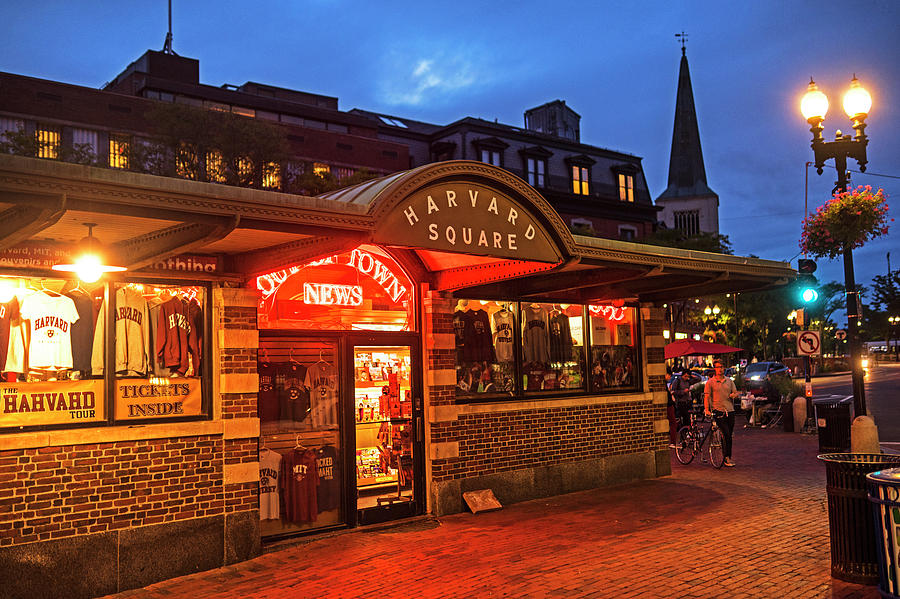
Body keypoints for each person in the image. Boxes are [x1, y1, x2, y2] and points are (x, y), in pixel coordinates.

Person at [704, 360, 740, 467]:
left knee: (729, 435)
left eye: (722, 367)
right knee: (726, 433)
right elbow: (707, 397)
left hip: (730, 410)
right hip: (718, 410)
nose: (720, 369)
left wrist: (734, 395)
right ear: (714, 369)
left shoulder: (729, 381)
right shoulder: (710, 382)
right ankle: (726, 458)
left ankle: (727, 456)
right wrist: (707, 409)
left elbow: (735, 392)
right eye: (718, 367)